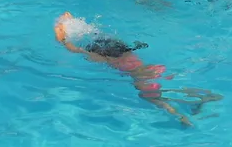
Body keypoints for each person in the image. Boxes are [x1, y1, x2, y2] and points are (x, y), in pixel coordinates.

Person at [54, 12, 222, 126]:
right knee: (171, 90)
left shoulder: (105, 59)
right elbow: (100, 35)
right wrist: (71, 21)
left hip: (142, 77)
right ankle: (201, 97)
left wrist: (61, 37)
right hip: (155, 69)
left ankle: (181, 117)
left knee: (156, 99)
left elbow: (74, 49)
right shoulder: (126, 49)